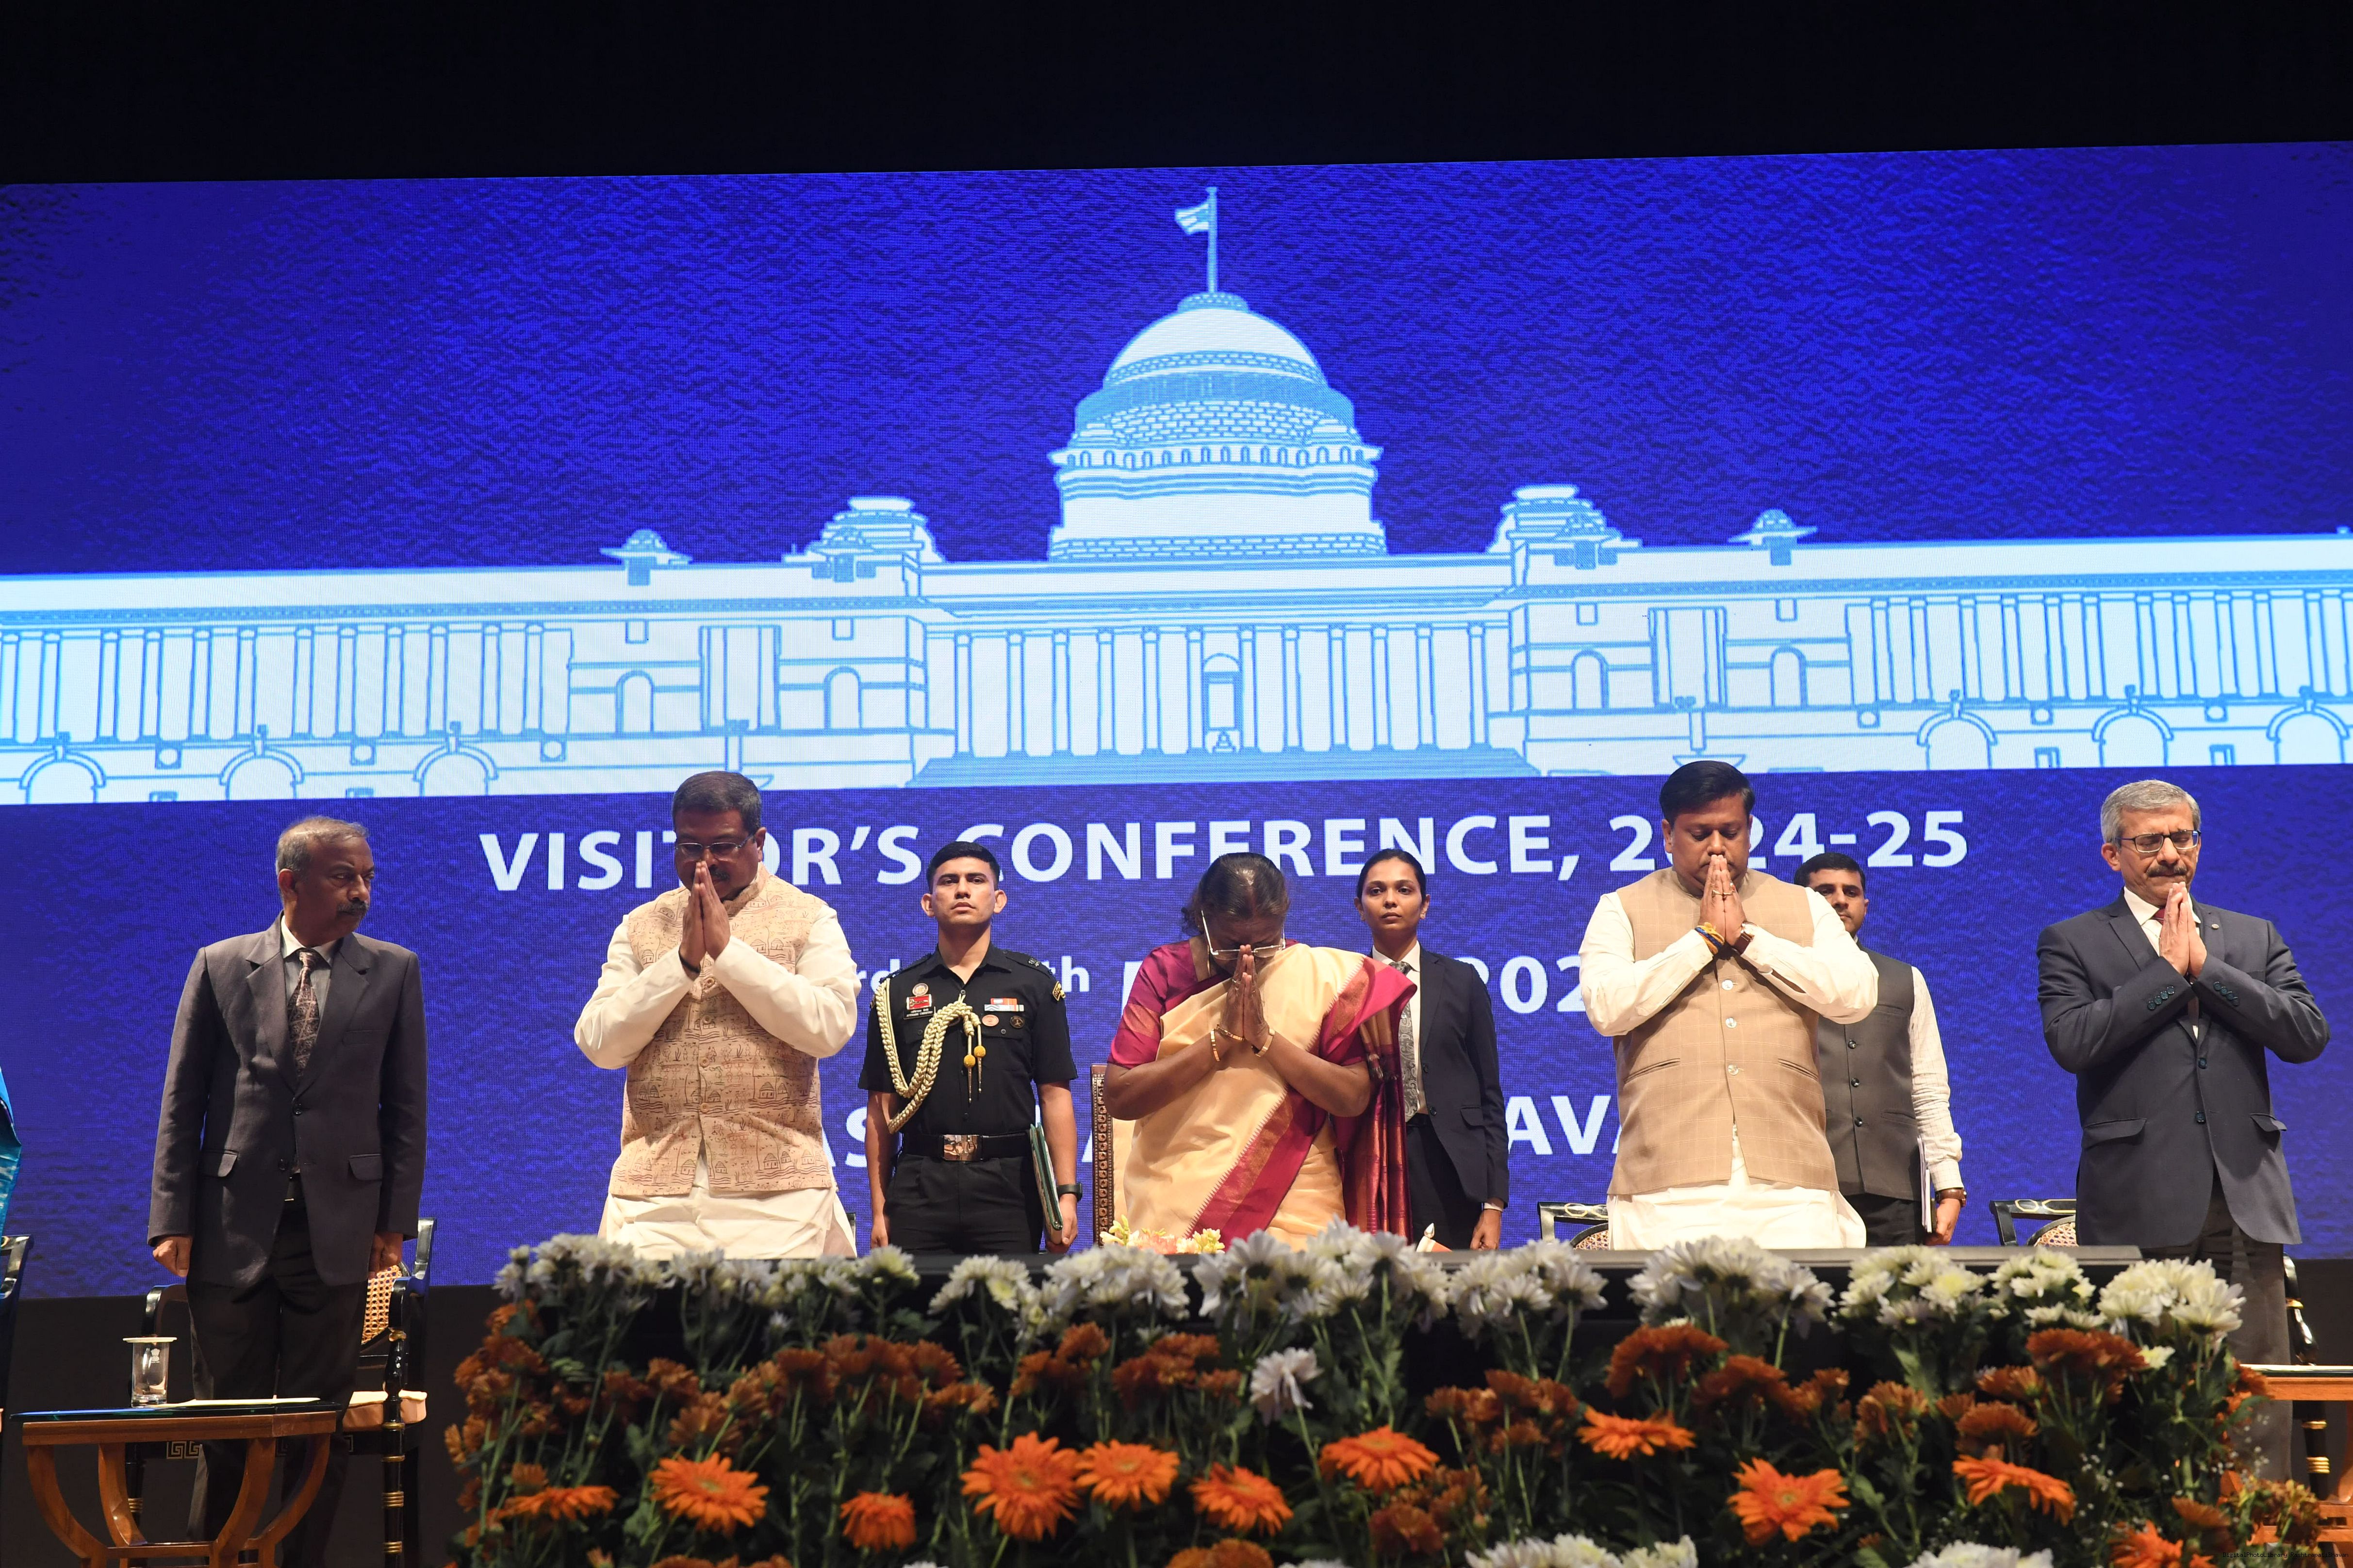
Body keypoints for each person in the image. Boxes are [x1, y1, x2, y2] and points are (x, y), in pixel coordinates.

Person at [148, 817, 427, 1568]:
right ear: (290, 883)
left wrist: (393, 1223)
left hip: (338, 1231)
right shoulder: (220, 965)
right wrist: (171, 1217)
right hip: (231, 1226)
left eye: (367, 877)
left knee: (316, 1432)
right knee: (226, 1427)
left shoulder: (393, 971)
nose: (361, 891)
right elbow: (182, 1101)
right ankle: (217, 1560)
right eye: (343, 877)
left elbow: (406, 1109)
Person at [2039, 778, 2327, 1476]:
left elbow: (2305, 1034)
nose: (2169, 853)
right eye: (2149, 841)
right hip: (2139, 1196)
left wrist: (2208, 969)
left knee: (2254, 1387)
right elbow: (2074, 1042)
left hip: (2243, 1193)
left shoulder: (2251, 935)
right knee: (2143, 1387)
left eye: (2181, 837)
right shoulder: (2073, 941)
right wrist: (2168, 973)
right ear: (2113, 854)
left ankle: (2257, 1526)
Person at [1578, 760, 1877, 1248]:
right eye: (1700, 834)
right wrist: (1703, 940)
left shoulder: (1804, 905)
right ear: (1668, 834)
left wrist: (1749, 939)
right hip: (1667, 1181)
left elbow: (1857, 994)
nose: (1717, 847)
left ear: (1750, 830)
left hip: (1791, 1179)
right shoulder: (1621, 907)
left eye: (1730, 832)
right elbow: (1607, 1008)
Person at [574, 771, 859, 1257]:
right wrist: (681, 963)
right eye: (690, 847)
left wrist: (729, 954)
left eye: (723, 846)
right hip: (653, 1194)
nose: (705, 861)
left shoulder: (808, 917)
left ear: (759, 842)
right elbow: (600, 1045)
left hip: (781, 1194)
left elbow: (829, 1028)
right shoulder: (641, 925)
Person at [1102, 852, 1414, 1245]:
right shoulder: (1165, 972)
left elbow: (1352, 1098)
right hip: (1181, 1196)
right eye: (1231, 947)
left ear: (1283, 917)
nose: (1247, 959)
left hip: (1297, 1191)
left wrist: (1265, 1039)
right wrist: (1221, 1039)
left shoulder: (1317, 978)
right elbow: (1120, 1096)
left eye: (1265, 944)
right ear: (1204, 916)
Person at [861, 841, 1080, 1254]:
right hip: (920, 1185)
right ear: (929, 903)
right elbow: (880, 1110)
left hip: (1009, 1185)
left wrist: (1065, 1196)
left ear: (998, 900)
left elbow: (1054, 1095)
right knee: (916, 1298)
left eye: (976, 880)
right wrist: (878, 1208)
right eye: (949, 881)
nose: (962, 889)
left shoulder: (1034, 984)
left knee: (1007, 1296)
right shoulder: (896, 992)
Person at [1797, 851, 1967, 1246]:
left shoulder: (1905, 979)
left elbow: (1927, 1088)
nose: (1840, 900)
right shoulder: (1775, 977)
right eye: (1824, 891)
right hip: (1805, 1188)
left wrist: (1949, 1186)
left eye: (1850, 892)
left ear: (1865, 904)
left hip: (1895, 1188)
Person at [1354, 848, 1507, 1249]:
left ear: (1424, 906)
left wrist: (1493, 1204)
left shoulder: (1462, 981)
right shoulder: (1344, 984)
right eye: (1376, 891)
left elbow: (1489, 1096)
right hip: (1370, 1157)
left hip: (1448, 1163)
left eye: (1404, 890)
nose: (1390, 900)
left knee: (1448, 1282)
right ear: (1359, 908)